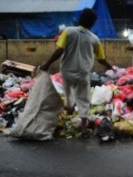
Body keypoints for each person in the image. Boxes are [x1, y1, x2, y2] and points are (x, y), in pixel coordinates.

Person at [41, 8, 112, 138]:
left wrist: (47, 64)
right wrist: (109, 67)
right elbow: (100, 59)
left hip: (67, 71)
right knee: (83, 99)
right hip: (83, 73)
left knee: (69, 95)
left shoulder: (68, 32)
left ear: (81, 18)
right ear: (92, 23)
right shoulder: (94, 39)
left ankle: (68, 112)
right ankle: (83, 129)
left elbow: (59, 50)